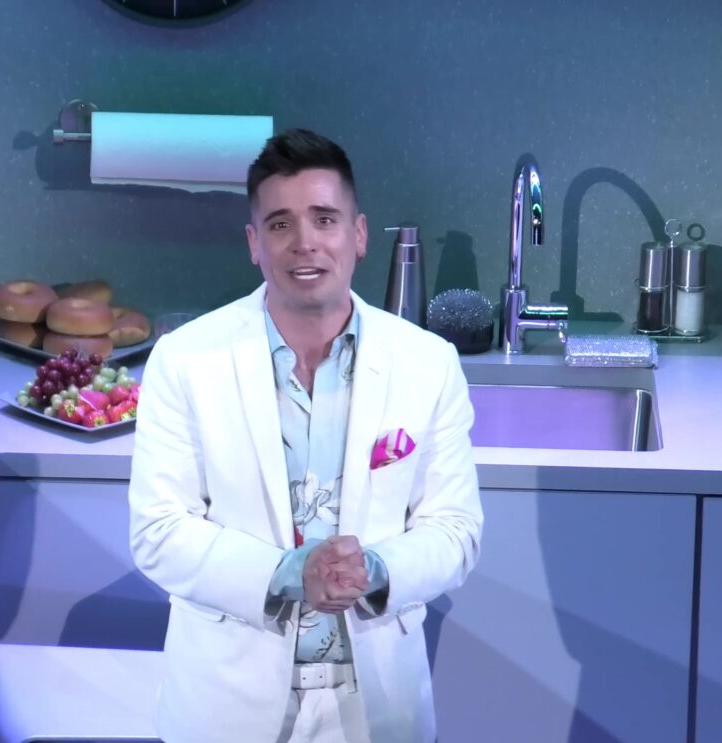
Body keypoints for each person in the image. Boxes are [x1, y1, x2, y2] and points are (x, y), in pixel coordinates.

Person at [129, 128, 483, 743]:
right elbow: (158, 532)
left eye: (324, 219)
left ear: (359, 234)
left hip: (379, 710)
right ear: (254, 243)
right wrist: (289, 573)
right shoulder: (185, 360)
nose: (305, 243)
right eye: (280, 224)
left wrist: (374, 568)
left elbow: (455, 531)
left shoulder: (428, 363)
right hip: (225, 706)